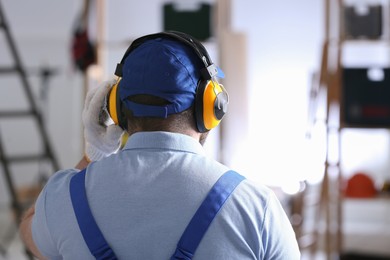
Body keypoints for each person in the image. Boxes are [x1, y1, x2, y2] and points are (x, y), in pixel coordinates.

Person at [19, 31, 300, 259]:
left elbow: (30, 231)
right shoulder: (255, 208)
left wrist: (94, 153)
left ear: (117, 108)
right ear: (211, 107)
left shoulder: (67, 198)